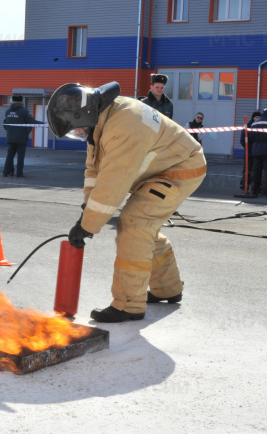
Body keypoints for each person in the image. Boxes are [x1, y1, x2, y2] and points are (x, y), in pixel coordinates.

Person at [46, 81, 206, 323]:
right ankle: (168, 288)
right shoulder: (103, 118)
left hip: (179, 169)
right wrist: (86, 210)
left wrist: (87, 226)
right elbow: (94, 170)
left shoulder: (123, 125)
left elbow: (113, 184)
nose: (78, 133)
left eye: (76, 129)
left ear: (84, 114)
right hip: (162, 168)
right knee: (144, 230)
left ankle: (128, 305)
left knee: (134, 225)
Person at [3, 94, 42, 178]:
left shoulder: (7, 111)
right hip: (21, 138)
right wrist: (43, 124)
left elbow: (5, 124)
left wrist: (10, 131)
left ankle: (6, 172)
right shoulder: (24, 111)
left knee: (10, 156)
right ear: (21, 101)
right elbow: (32, 121)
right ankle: (19, 173)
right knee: (20, 157)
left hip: (10, 137)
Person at [240, 111, 261, 193]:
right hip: (249, 152)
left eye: (259, 117)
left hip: (257, 152)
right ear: (253, 118)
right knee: (247, 169)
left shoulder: (259, 127)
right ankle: (244, 185)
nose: (258, 119)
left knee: (256, 170)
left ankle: (255, 187)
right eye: (256, 117)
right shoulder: (248, 126)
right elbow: (242, 140)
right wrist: (249, 148)